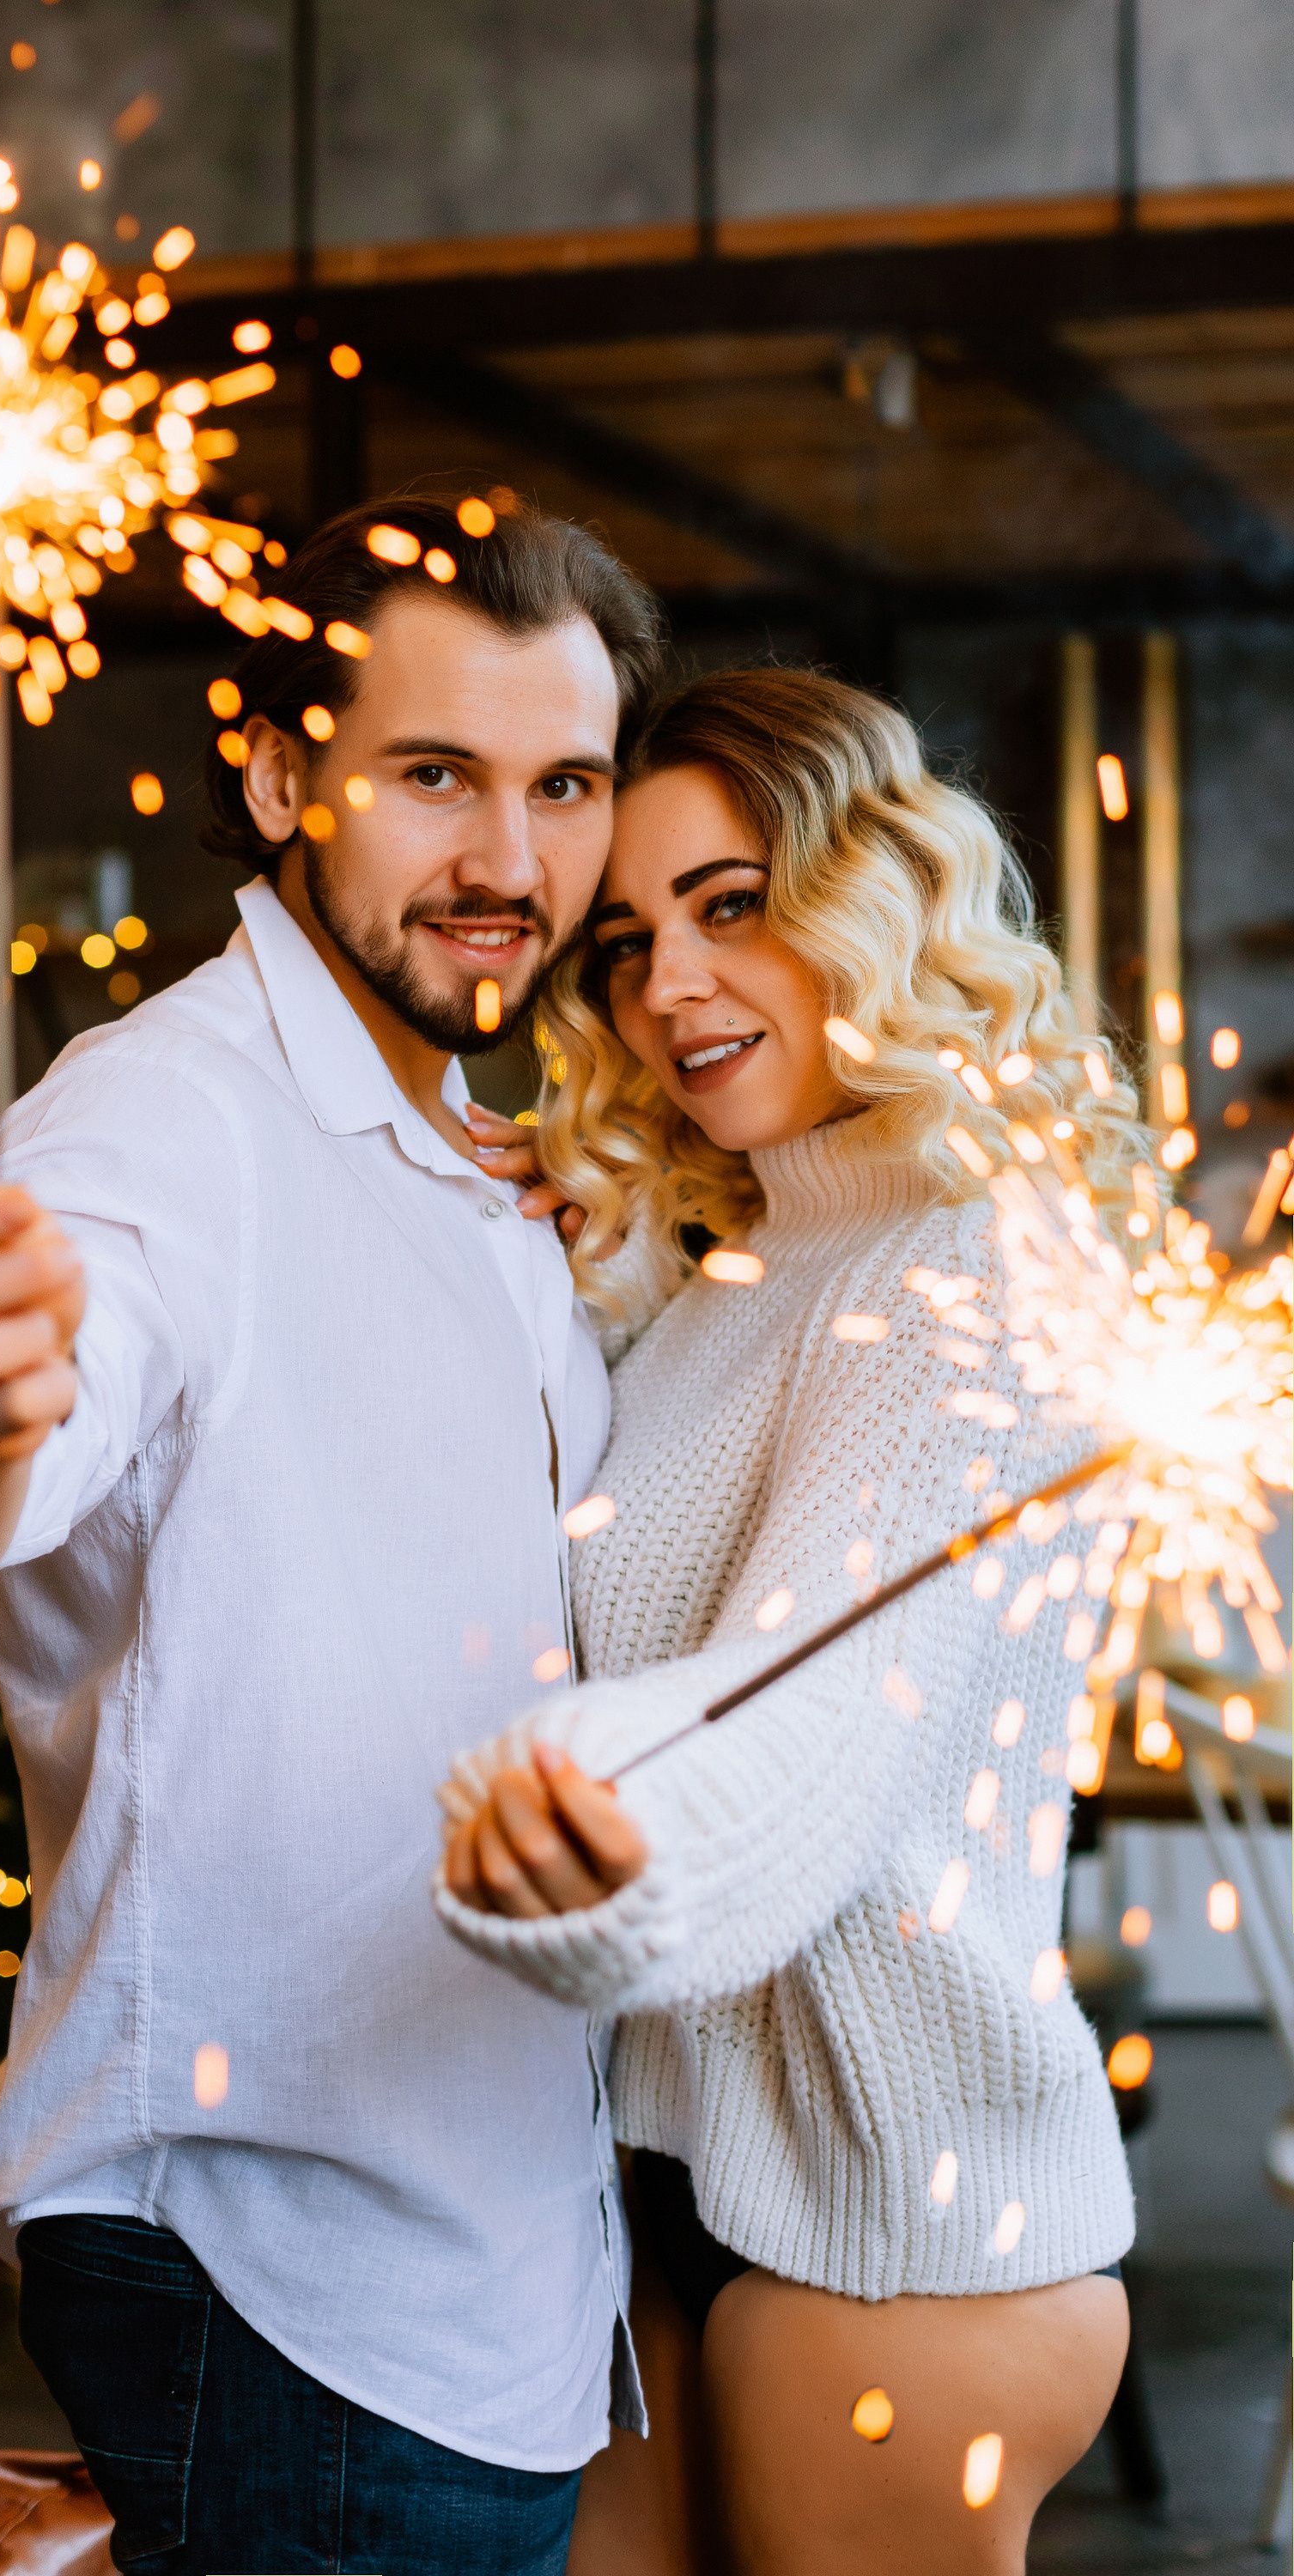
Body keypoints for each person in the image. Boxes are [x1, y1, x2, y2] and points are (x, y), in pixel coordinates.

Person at [0, 493, 665, 2576]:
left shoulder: (474, 1148)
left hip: (491, 2258)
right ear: (282, 778)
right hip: (286, 2265)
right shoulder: (166, 1117)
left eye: (564, 786)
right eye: (434, 776)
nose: (510, 861)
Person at [438, 669, 1141, 2576]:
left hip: (899, 2228)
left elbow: (811, 1710)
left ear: (868, 895)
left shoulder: (980, 1261)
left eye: (730, 905)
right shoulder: (746, 1262)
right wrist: (583, 1280)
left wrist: (597, 1827)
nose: (669, 986)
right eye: (623, 941)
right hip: (678, 2190)